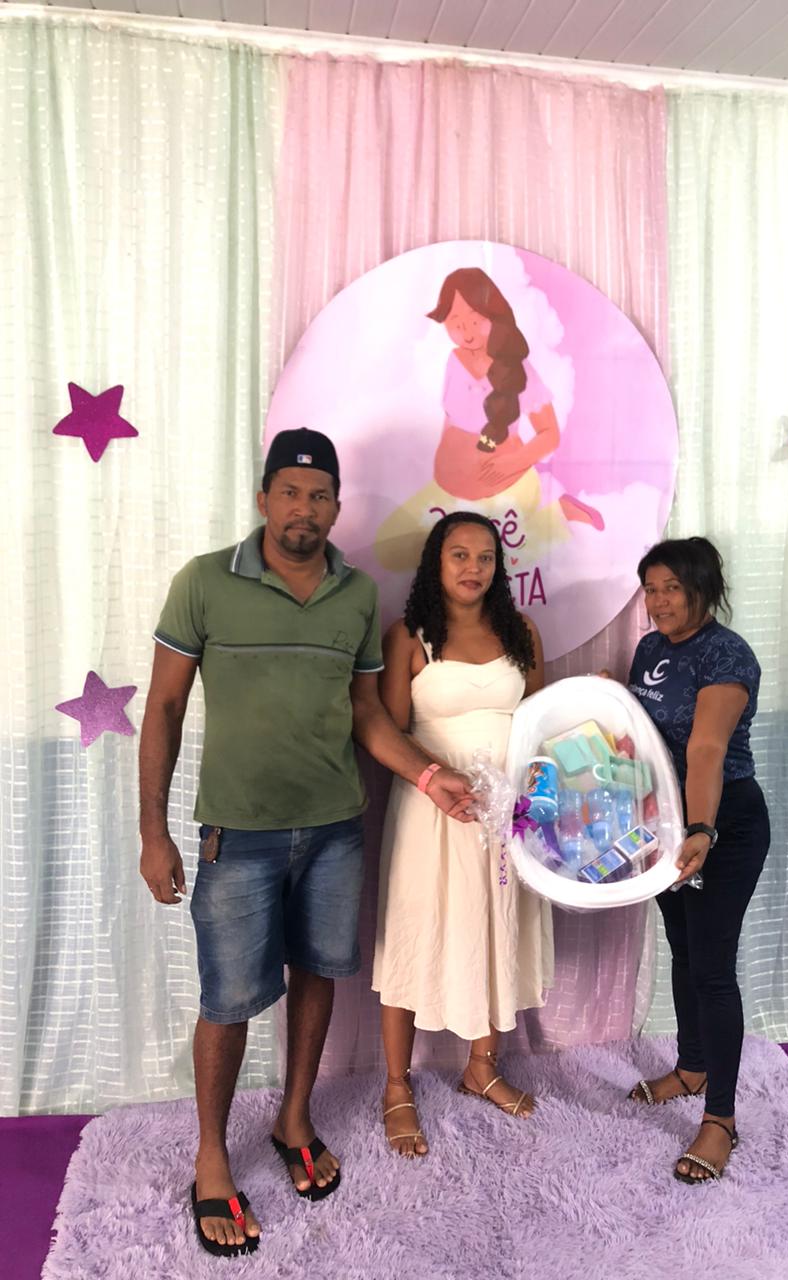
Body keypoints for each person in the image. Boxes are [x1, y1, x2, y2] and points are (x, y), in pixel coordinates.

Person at [138, 429, 475, 1257]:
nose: (304, 508)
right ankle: (212, 1155)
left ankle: (295, 1118)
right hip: (237, 836)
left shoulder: (356, 596)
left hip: (333, 832)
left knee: (319, 973)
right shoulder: (204, 582)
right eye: (289, 492)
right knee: (227, 1002)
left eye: (319, 495)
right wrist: (152, 830)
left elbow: (367, 714)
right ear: (264, 499)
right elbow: (165, 708)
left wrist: (430, 776)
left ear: (335, 507)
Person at [372, 511, 554, 1156]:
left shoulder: (521, 630)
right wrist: (440, 777)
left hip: (504, 819)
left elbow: (540, 718)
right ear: (436, 562)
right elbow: (390, 732)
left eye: (485, 557)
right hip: (432, 814)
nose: (473, 567)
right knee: (414, 931)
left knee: (494, 926)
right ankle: (397, 1085)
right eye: (459, 555)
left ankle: (482, 1066)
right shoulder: (408, 636)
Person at [624, 537, 769, 1184]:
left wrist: (702, 828)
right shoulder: (650, 649)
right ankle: (691, 1068)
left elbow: (706, 749)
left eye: (672, 589)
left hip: (723, 824)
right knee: (684, 952)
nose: (658, 602)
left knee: (712, 969)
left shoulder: (726, 654)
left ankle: (721, 1120)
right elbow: (648, 736)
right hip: (668, 825)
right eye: (650, 589)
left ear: (703, 589)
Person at [376, 267, 602, 573]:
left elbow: (550, 434)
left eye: (475, 320)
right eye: (455, 322)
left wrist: (511, 463)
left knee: (493, 564)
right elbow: (450, 417)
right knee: (389, 550)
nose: (466, 331)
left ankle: (558, 514)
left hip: (505, 486)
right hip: (449, 489)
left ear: (494, 316)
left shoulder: (517, 368)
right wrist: (444, 464)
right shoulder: (454, 360)